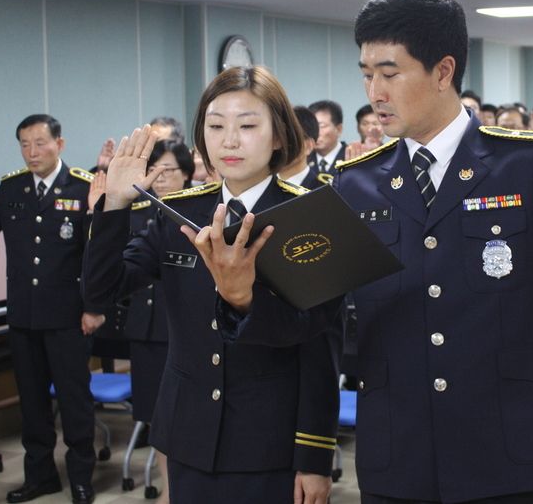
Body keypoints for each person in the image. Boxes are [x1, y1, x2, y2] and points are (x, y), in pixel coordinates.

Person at [276, 0, 533, 503]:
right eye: (367, 75)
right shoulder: (354, 182)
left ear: (442, 71)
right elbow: (313, 322)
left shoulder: (525, 164)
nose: (375, 94)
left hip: (502, 449)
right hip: (398, 452)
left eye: (390, 73)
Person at [82, 67, 343, 504]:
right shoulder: (177, 213)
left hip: (269, 441)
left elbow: (320, 348)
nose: (230, 140)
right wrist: (115, 204)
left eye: (247, 125)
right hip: (188, 433)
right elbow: (99, 291)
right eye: (216, 125)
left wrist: (314, 458)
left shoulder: (311, 218)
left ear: (279, 136)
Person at [0, 114, 103, 504]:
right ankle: (41, 477)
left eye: (39, 143)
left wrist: (94, 307)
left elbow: (97, 254)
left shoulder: (82, 187)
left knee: (74, 403)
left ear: (60, 143)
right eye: (24, 144)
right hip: (24, 316)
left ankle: (80, 479)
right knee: (33, 404)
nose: (31, 152)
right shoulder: (12, 189)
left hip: (69, 317)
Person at [124, 138, 195, 504]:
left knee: (186, 418)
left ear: (186, 173)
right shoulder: (138, 212)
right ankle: (169, 488)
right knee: (157, 417)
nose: (161, 177)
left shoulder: (196, 213)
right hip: (146, 329)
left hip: (179, 330)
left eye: (169, 170)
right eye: (155, 170)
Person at [282, 106, 330, 189]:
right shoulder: (262, 187)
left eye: (287, 138)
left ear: (308, 146)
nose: (278, 145)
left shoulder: (324, 192)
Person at [308, 99, 347, 175]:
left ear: (339, 130)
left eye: (322, 126)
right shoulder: (304, 159)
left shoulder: (351, 157)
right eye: (312, 126)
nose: (315, 133)